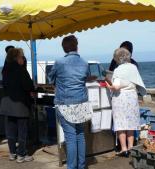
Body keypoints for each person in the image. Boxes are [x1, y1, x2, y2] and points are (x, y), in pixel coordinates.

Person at [48, 35, 92, 169]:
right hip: (81, 103)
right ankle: (81, 165)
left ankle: (72, 167)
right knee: (80, 135)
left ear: (64, 48)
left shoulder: (59, 62)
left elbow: (51, 79)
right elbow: (86, 78)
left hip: (65, 103)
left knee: (70, 137)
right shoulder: (84, 63)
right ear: (76, 46)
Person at [106, 47, 146, 157]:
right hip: (132, 98)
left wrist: (109, 86)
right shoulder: (133, 67)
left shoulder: (119, 69)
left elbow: (117, 86)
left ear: (117, 58)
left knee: (121, 125)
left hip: (120, 98)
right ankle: (131, 148)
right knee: (131, 125)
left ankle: (124, 149)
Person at [0, 48, 34, 163]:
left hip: (7, 105)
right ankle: (21, 154)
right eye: (22, 57)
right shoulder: (21, 70)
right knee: (22, 131)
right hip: (20, 105)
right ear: (17, 57)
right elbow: (28, 86)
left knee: (10, 131)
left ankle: (12, 153)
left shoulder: (5, 70)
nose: (23, 59)